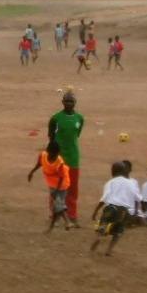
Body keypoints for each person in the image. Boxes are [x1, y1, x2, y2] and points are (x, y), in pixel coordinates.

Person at [47, 93, 86, 226]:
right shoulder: (56, 118)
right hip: (59, 159)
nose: (69, 103)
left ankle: (72, 215)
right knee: (57, 188)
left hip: (74, 158)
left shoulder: (79, 118)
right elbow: (51, 136)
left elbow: (77, 134)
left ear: (75, 102)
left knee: (73, 189)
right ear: (62, 102)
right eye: (66, 101)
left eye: (71, 101)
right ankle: (55, 215)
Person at [89, 161, 141, 255]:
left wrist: (95, 211)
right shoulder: (130, 183)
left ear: (113, 172)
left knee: (103, 224)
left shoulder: (110, 182)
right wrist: (135, 212)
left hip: (111, 207)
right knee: (118, 232)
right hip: (124, 211)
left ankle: (99, 237)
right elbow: (137, 199)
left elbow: (104, 198)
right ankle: (109, 250)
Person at [26, 140, 73, 231]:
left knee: (58, 203)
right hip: (52, 184)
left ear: (58, 153)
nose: (53, 157)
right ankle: (55, 224)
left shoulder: (60, 162)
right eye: (51, 154)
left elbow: (61, 178)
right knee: (57, 204)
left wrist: (56, 190)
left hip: (62, 185)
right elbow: (39, 164)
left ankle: (67, 222)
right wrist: (31, 172)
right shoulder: (43, 156)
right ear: (47, 152)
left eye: (55, 155)